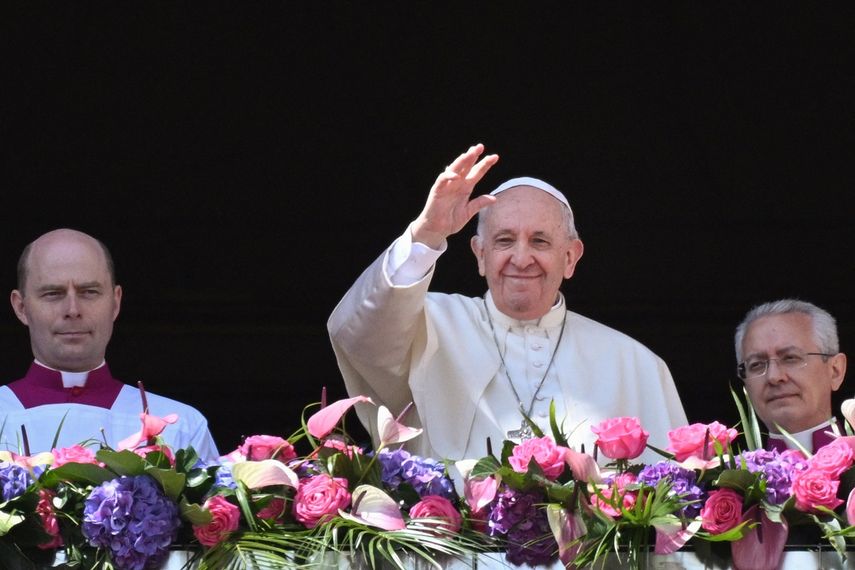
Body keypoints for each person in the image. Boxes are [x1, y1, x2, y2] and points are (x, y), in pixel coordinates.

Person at [328, 144, 687, 462]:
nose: (521, 257)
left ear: (571, 258)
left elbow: (673, 503)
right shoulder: (428, 325)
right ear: (480, 255)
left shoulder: (634, 364)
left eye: (540, 241)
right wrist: (426, 233)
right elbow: (359, 334)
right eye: (504, 240)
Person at [0, 228, 219, 461]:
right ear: (21, 307)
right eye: (53, 293)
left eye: (89, 292)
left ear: (115, 303)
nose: (72, 310)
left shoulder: (181, 427)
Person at [735, 299, 847, 453]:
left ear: (835, 371)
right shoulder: (717, 477)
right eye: (756, 364)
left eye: (790, 358)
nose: (773, 377)